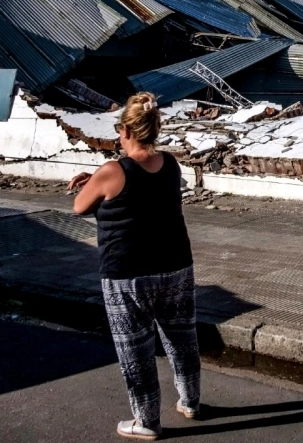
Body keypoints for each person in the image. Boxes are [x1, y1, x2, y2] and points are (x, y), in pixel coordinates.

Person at [69, 92, 200, 440]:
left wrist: (92, 180)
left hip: (128, 273)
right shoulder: (171, 164)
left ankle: (146, 421)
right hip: (175, 265)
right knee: (182, 339)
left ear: (126, 131)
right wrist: (98, 178)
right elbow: (144, 190)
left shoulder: (112, 170)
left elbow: (80, 207)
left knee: (136, 349)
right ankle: (190, 401)